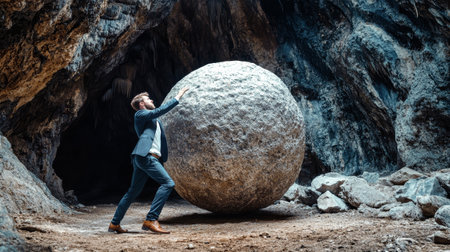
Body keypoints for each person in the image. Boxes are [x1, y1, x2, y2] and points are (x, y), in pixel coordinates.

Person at [108, 87, 189, 234]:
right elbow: (158, 112)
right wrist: (178, 96)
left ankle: (114, 224)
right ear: (141, 104)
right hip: (146, 156)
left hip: (144, 157)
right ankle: (151, 219)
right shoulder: (140, 114)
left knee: (132, 192)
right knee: (168, 183)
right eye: (148, 99)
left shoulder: (154, 120)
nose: (151, 100)